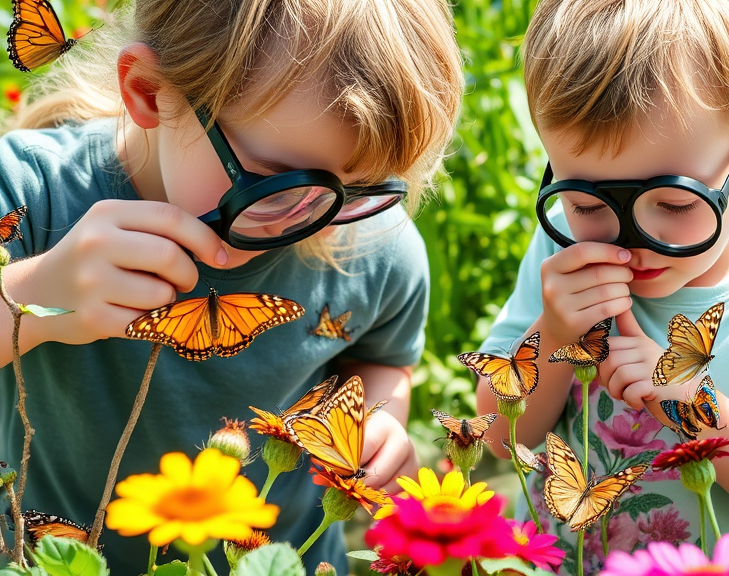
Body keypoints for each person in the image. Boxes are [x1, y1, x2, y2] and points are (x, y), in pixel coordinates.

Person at [0, 0, 461, 572]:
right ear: (149, 91)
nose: (306, 218)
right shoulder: (30, 194)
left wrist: (378, 418)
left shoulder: (370, 242)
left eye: (361, 186)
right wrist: (35, 291)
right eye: (274, 182)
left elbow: (382, 360)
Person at [474, 0, 729, 569]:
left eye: (674, 202)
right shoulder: (565, 254)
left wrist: (688, 398)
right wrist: (552, 335)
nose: (631, 238)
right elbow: (498, 438)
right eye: (585, 202)